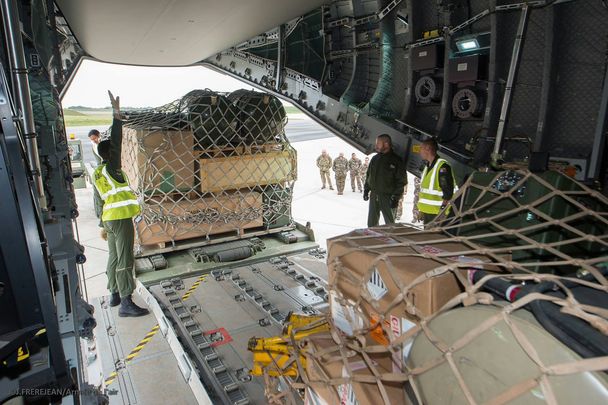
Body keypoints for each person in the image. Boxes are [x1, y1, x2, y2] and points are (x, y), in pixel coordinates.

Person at [93, 91, 148, 318]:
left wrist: (101, 225)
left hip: (109, 220)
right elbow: (116, 142)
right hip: (121, 219)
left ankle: (114, 293)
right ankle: (127, 302)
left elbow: (99, 201)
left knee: (114, 257)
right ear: (111, 155)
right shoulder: (112, 169)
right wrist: (117, 116)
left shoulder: (98, 173)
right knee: (125, 259)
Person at [363, 134, 407, 227]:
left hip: (388, 196)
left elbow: (401, 181)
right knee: (371, 223)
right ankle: (372, 239)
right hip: (374, 195)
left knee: (390, 224)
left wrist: (395, 198)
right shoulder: (375, 159)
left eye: (378, 143)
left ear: (386, 144)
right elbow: (369, 175)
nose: (376, 146)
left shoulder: (396, 160)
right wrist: (366, 189)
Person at [416, 138, 457, 226]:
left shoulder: (442, 167)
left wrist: (442, 211)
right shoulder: (427, 166)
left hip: (437, 214)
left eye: (421, 148)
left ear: (428, 149)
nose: (419, 151)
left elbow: (448, 192)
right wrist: (422, 210)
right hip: (429, 212)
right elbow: (425, 192)